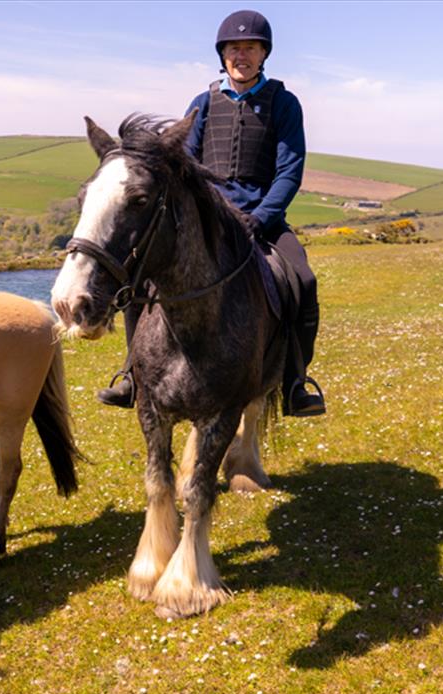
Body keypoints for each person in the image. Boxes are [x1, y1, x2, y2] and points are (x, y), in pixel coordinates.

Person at [96, 9, 325, 417]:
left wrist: (263, 216)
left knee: (303, 281)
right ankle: (133, 374)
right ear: (223, 55)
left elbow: (290, 171)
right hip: (208, 220)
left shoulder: (284, 104)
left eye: (251, 48)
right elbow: (183, 166)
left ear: (263, 54)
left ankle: (295, 380)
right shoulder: (202, 104)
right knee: (142, 276)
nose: (242, 55)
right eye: (235, 48)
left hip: (262, 219)